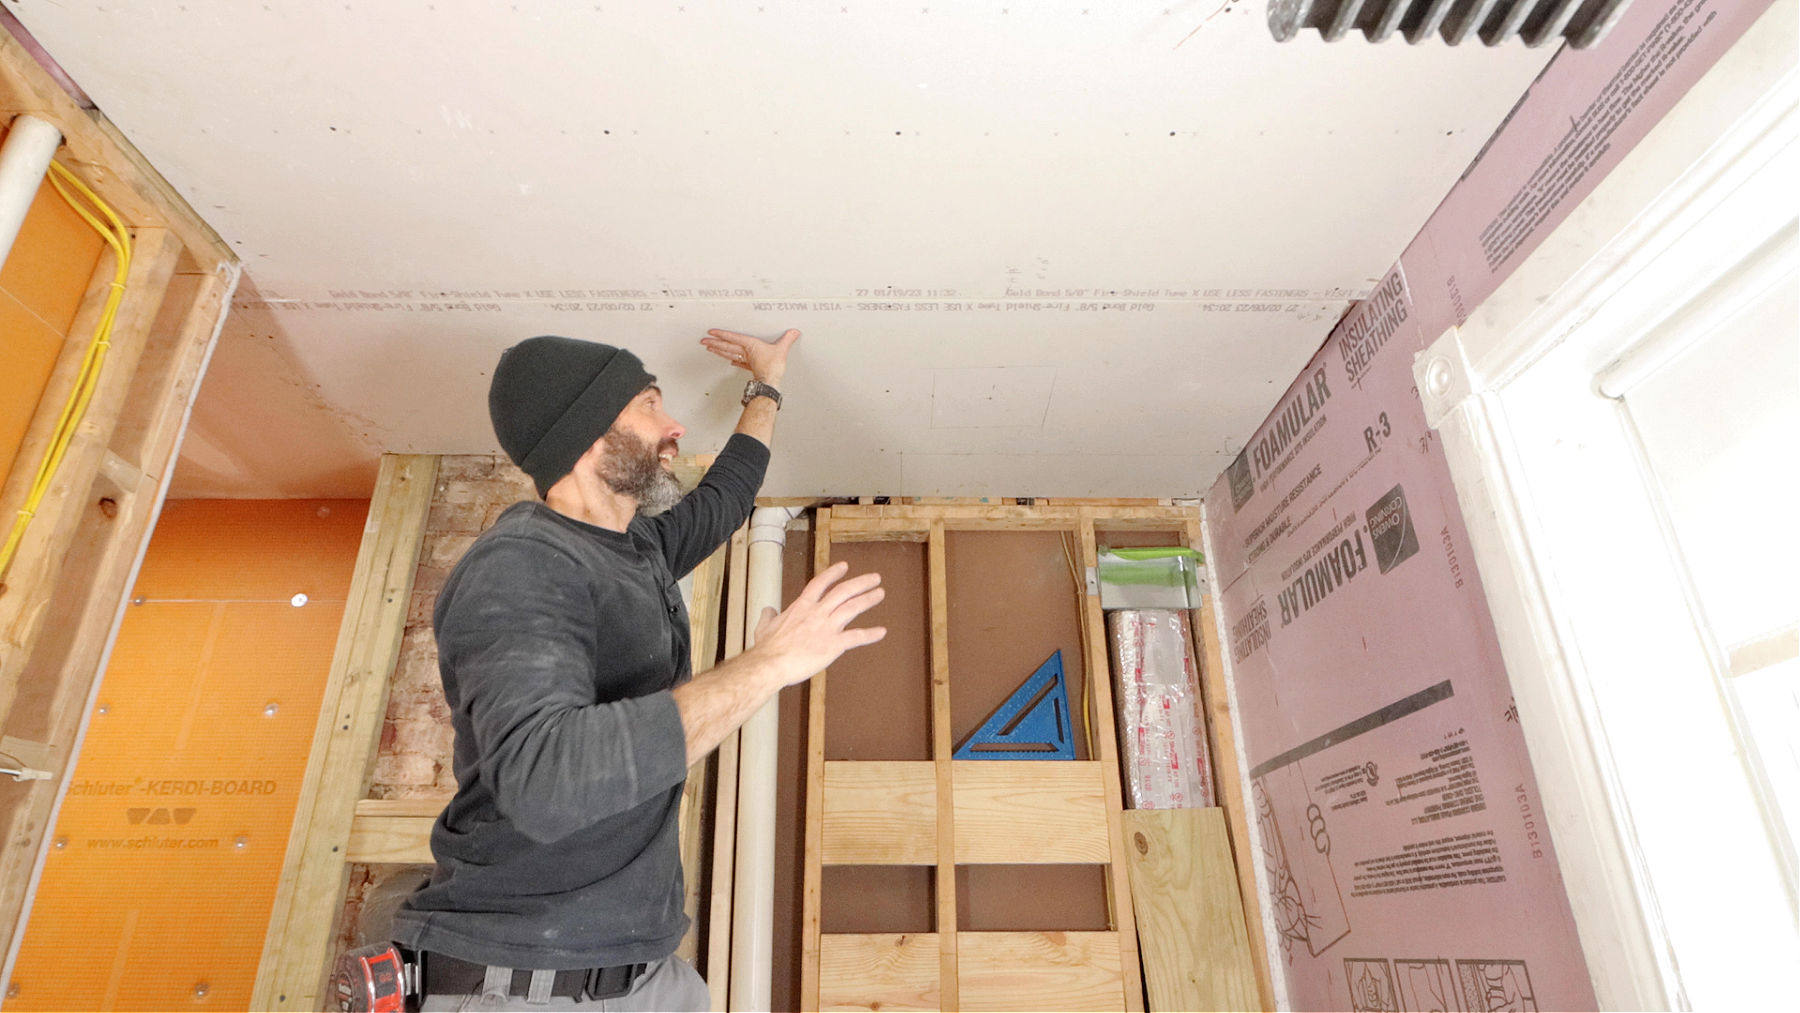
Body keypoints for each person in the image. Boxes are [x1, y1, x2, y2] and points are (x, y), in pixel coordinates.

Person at [391, 328, 886, 1011]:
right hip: (523, 979)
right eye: (650, 405)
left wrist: (766, 385)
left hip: (640, 972)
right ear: (589, 434)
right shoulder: (521, 564)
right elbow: (549, 778)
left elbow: (726, 498)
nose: (675, 426)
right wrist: (769, 663)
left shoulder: (637, 548)